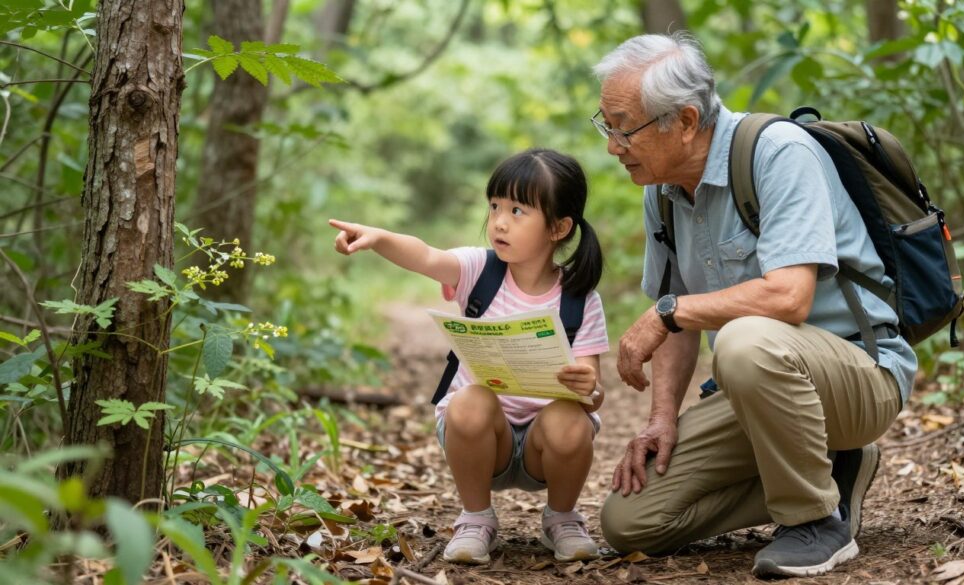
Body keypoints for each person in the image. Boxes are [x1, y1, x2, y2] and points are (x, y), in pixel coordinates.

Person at [590, 33, 917, 578]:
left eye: (623, 127)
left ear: (687, 120)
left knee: (744, 338)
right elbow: (679, 317)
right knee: (630, 522)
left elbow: (788, 297)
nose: (612, 145)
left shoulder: (779, 153)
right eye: (606, 125)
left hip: (861, 374)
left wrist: (669, 311)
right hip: (763, 391)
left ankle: (816, 522)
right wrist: (662, 418)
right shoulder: (662, 192)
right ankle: (836, 470)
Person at [328, 148, 610, 564]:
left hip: (544, 447)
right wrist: (379, 238)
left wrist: (589, 388)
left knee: (571, 417)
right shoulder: (479, 270)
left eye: (517, 211)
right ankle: (476, 519)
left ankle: (562, 518)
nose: (498, 221)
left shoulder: (579, 299)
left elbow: (593, 393)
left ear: (558, 227)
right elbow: (424, 254)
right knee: (469, 400)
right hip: (481, 439)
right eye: (495, 205)